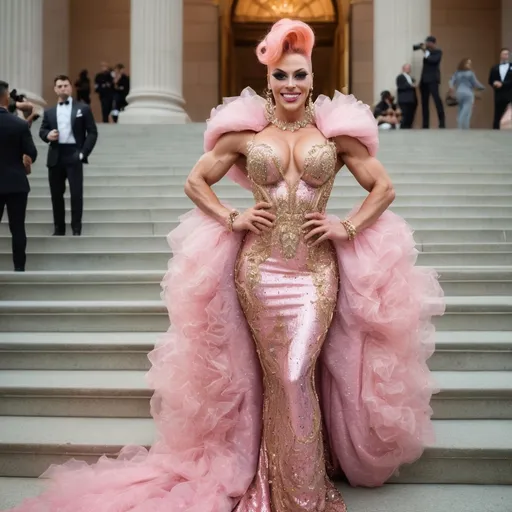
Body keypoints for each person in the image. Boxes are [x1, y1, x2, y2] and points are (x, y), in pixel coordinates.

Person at [4, 19, 444, 512]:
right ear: (268, 81)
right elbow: (196, 181)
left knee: (296, 373)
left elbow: (383, 188)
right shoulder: (246, 134)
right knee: (281, 375)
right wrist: (231, 215)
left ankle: (301, 484)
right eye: (281, 76)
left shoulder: (336, 135)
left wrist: (350, 226)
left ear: (313, 80)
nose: (291, 85)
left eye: (299, 75)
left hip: (316, 273)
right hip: (259, 271)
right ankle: (291, 485)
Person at [39, 75, 98, 236]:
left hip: (74, 153)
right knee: (56, 194)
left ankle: (76, 228)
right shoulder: (49, 111)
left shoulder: (83, 108)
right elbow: (42, 131)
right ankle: (59, 228)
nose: (63, 88)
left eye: (66, 85)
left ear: (71, 87)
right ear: (55, 89)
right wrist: (48, 135)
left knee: (76, 194)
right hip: (56, 155)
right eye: (59, 86)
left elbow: (92, 132)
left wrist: (83, 153)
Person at [0, 80, 37, 272]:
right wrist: (25, 159)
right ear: (6, 98)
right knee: (17, 228)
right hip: (16, 183)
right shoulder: (19, 125)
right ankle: (19, 269)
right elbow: (32, 153)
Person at [449, 58, 485, 130]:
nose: (469, 65)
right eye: (467, 63)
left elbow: (451, 80)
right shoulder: (470, 73)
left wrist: (451, 87)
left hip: (459, 93)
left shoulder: (457, 72)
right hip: (468, 94)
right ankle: (462, 128)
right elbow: (475, 83)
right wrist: (483, 87)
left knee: (460, 110)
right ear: (463, 64)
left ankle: (464, 128)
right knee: (466, 112)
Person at [419, 36, 445, 128]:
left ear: (433, 43)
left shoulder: (438, 52)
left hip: (433, 80)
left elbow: (432, 60)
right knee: (424, 103)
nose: (426, 44)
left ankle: (442, 123)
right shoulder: (427, 53)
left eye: (428, 43)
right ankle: (425, 125)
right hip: (424, 80)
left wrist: (425, 51)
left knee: (437, 100)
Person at [488, 48, 512, 129]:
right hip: (498, 94)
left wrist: (503, 84)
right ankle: (496, 130)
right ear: (500, 56)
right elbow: (490, 80)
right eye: (503, 54)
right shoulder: (495, 68)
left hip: (509, 94)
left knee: (508, 114)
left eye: (507, 54)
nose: (505, 56)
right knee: (497, 114)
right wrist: (494, 83)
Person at [396, 63, 418, 128]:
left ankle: (409, 127)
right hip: (404, 100)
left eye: (409, 68)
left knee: (410, 116)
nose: (408, 69)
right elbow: (400, 86)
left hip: (412, 100)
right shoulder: (400, 77)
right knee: (404, 116)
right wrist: (410, 85)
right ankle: (403, 128)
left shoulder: (411, 78)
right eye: (407, 68)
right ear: (403, 69)